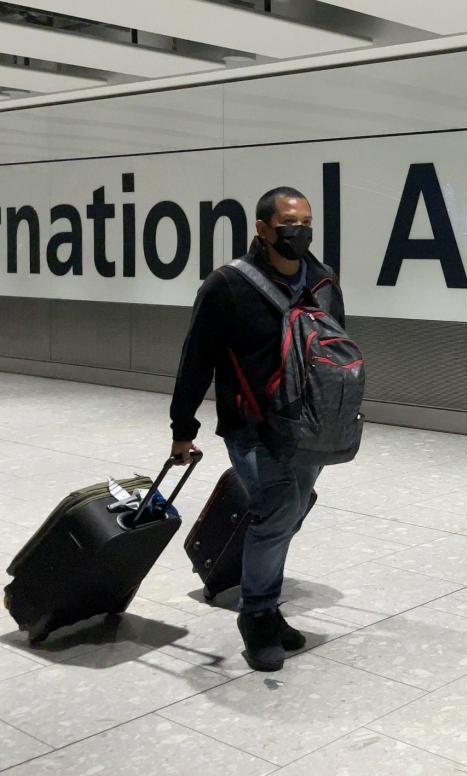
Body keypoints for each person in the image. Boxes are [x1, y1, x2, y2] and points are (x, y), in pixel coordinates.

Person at [169, 187, 344, 672]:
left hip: (310, 427)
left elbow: (337, 350)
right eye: (289, 223)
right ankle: (257, 615)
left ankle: (267, 607)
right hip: (251, 425)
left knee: (289, 513)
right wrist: (183, 428)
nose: (300, 232)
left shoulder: (324, 280)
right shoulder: (227, 285)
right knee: (277, 508)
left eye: (306, 222)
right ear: (263, 230)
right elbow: (195, 361)